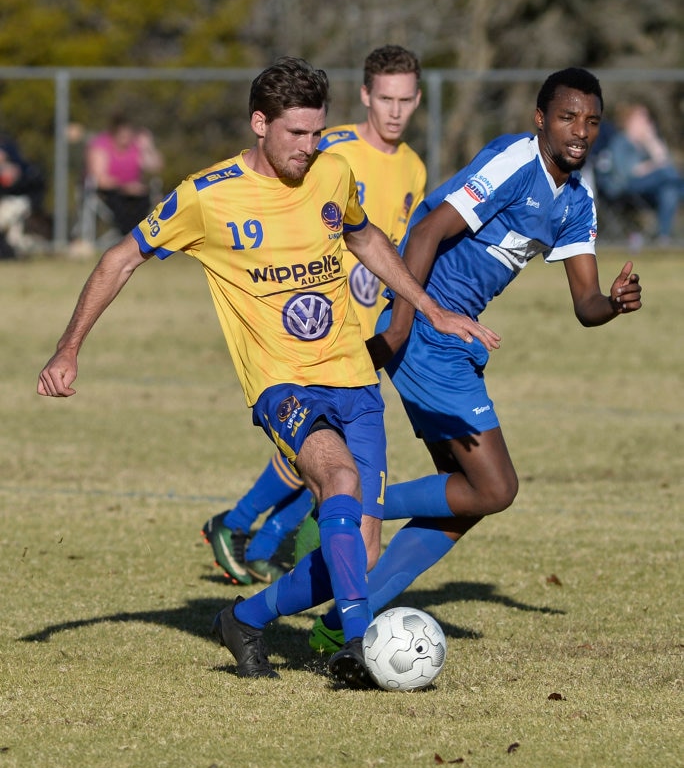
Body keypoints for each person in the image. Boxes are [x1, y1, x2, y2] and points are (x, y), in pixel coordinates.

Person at [37, 56, 496, 688]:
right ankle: (360, 642)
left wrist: (431, 308)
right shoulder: (208, 195)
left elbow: (363, 238)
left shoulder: (332, 173)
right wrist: (69, 347)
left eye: (316, 133)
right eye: (296, 135)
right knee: (336, 477)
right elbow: (121, 258)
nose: (309, 148)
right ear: (260, 123)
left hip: (354, 374)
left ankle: (246, 617)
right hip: (282, 382)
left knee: (358, 554)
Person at [308, 66, 644, 654]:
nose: (580, 130)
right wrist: (406, 327)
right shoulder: (516, 161)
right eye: (567, 117)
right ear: (541, 119)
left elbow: (584, 305)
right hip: (431, 332)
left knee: (462, 502)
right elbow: (427, 232)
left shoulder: (578, 201)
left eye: (591, 121)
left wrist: (613, 305)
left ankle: (344, 617)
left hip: (455, 342)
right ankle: (355, 505)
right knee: (496, 488)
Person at [201, 45, 427, 586]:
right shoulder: (329, 151)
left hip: (362, 325)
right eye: (385, 98)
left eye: (406, 100)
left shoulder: (414, 166)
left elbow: (378, 240)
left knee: (335, 459)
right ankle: (241, 528)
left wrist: (402, 318)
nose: (395, 112)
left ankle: (257, 540)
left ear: (418, 101)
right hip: (308, 327)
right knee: (324, 451)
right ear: (367, 96)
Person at [595, 102, 683, 245]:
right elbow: (630, 172)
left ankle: (663, 238)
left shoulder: (644, 144)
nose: (647, 122)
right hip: (624, 188)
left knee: (670, 190)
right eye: (642, 119)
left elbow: (664, 161)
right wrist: (656, 166)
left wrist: (652, 142)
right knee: (666, 173)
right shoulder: (621, 142)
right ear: (630, 121)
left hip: (646, 190)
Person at [85, 113, 163, 235]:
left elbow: (156, 167)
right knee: (122, 206)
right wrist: (125, 186)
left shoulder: (135, 146)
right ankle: (129, 237)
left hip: (135, 192)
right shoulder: (101, 145)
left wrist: (148, 146)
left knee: (144, 199)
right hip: (110, 193)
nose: (126, 139)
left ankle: (138, 236)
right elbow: (99, 179)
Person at [0, 132, 49, 258]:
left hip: (15, 199)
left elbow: (29, 175)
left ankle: (23, 248)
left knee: (12, 233)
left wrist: (15, 172)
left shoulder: (9, 147)